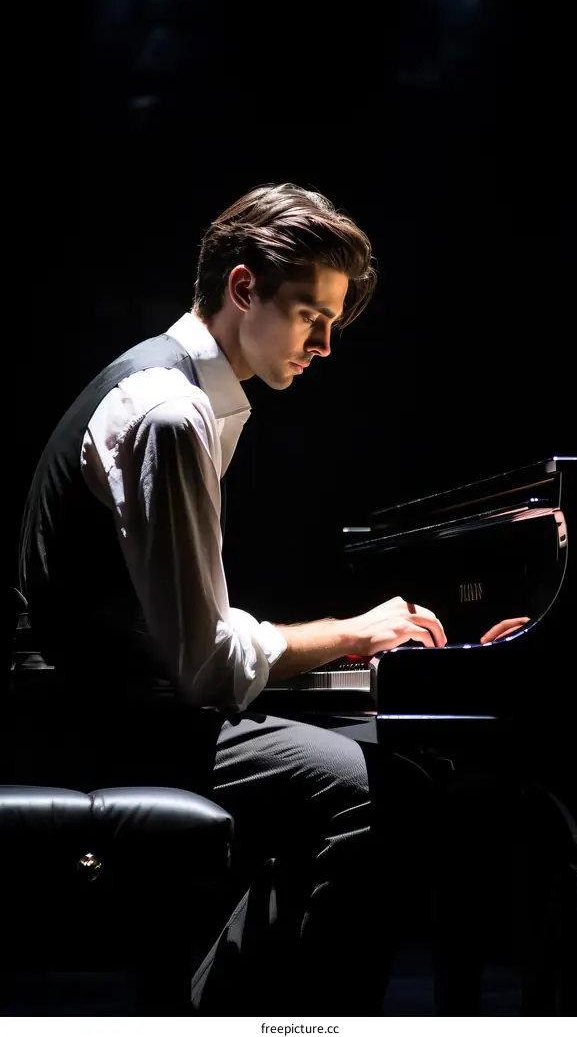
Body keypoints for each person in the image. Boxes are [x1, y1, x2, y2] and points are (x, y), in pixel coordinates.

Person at [17, 183, 521, 1014]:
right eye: (308, 315)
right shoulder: (170, 411)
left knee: (401, 764)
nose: (325, 345)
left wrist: (336, 648)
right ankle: (251, 1020)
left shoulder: (188, 392)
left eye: (333, 321)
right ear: (242, 287)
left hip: (125, 697)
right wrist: (351, 631)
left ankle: (246, 1008)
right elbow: (209, 663)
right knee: (380, 796)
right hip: (94, 718)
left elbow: (196, 638)